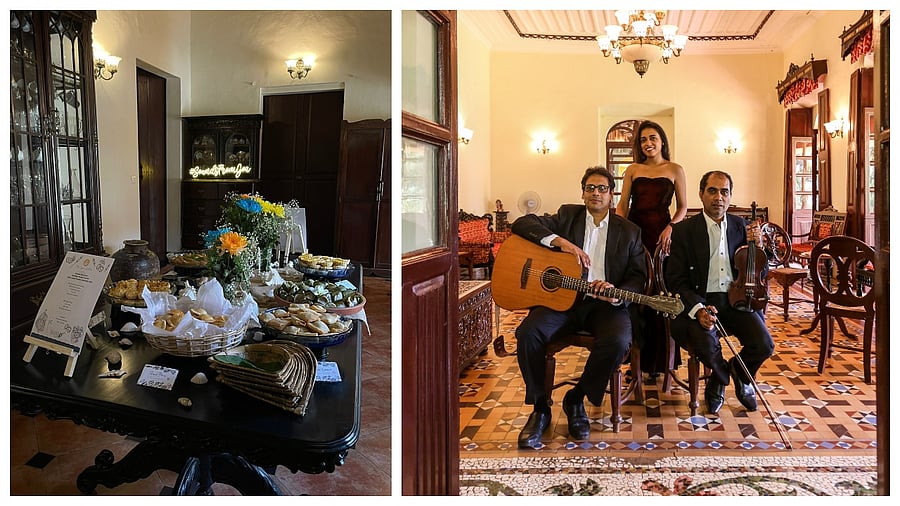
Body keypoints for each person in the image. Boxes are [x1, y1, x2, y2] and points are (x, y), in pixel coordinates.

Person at [510, 166, 647, 448]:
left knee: (619, 340)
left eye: (602, 189)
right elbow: (522, 224)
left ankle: (577, 398)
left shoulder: (630, 231)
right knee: (528, 333)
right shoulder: (566, 216)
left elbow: (638, 276)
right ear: (583, 192)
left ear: (612, 195)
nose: (596, 193)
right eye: (590, 188)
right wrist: (561, 243)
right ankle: (540, 409)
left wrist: (617, 293)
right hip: (562, 300)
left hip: (605, 306)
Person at [664, 170, 775, 415]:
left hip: (735, 300)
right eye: (712, 191)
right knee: (705, 343)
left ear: (730, 196)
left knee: (764, 344)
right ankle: (725, 376)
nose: (719, 197)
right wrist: (698, 308)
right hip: (701, 301)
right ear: (701, 194)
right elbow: (675, 279)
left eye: (724, 192)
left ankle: (735, 374)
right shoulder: (684, 231)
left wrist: (758, 247)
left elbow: (759, 271)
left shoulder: (741, 226)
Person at [615, 120, 687, 379]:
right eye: (643, 139)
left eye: (653, 138)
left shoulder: (675, 169)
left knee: (661, 294)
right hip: (635, 234)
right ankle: (634, 360)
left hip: (663, 236)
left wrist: (671, 228)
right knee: (636, 294)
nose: (648, 143)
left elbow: (683, 207)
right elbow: (622, 205)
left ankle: (662, 361)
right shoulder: (633, 169)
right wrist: (620, 235)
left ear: (662, 140)